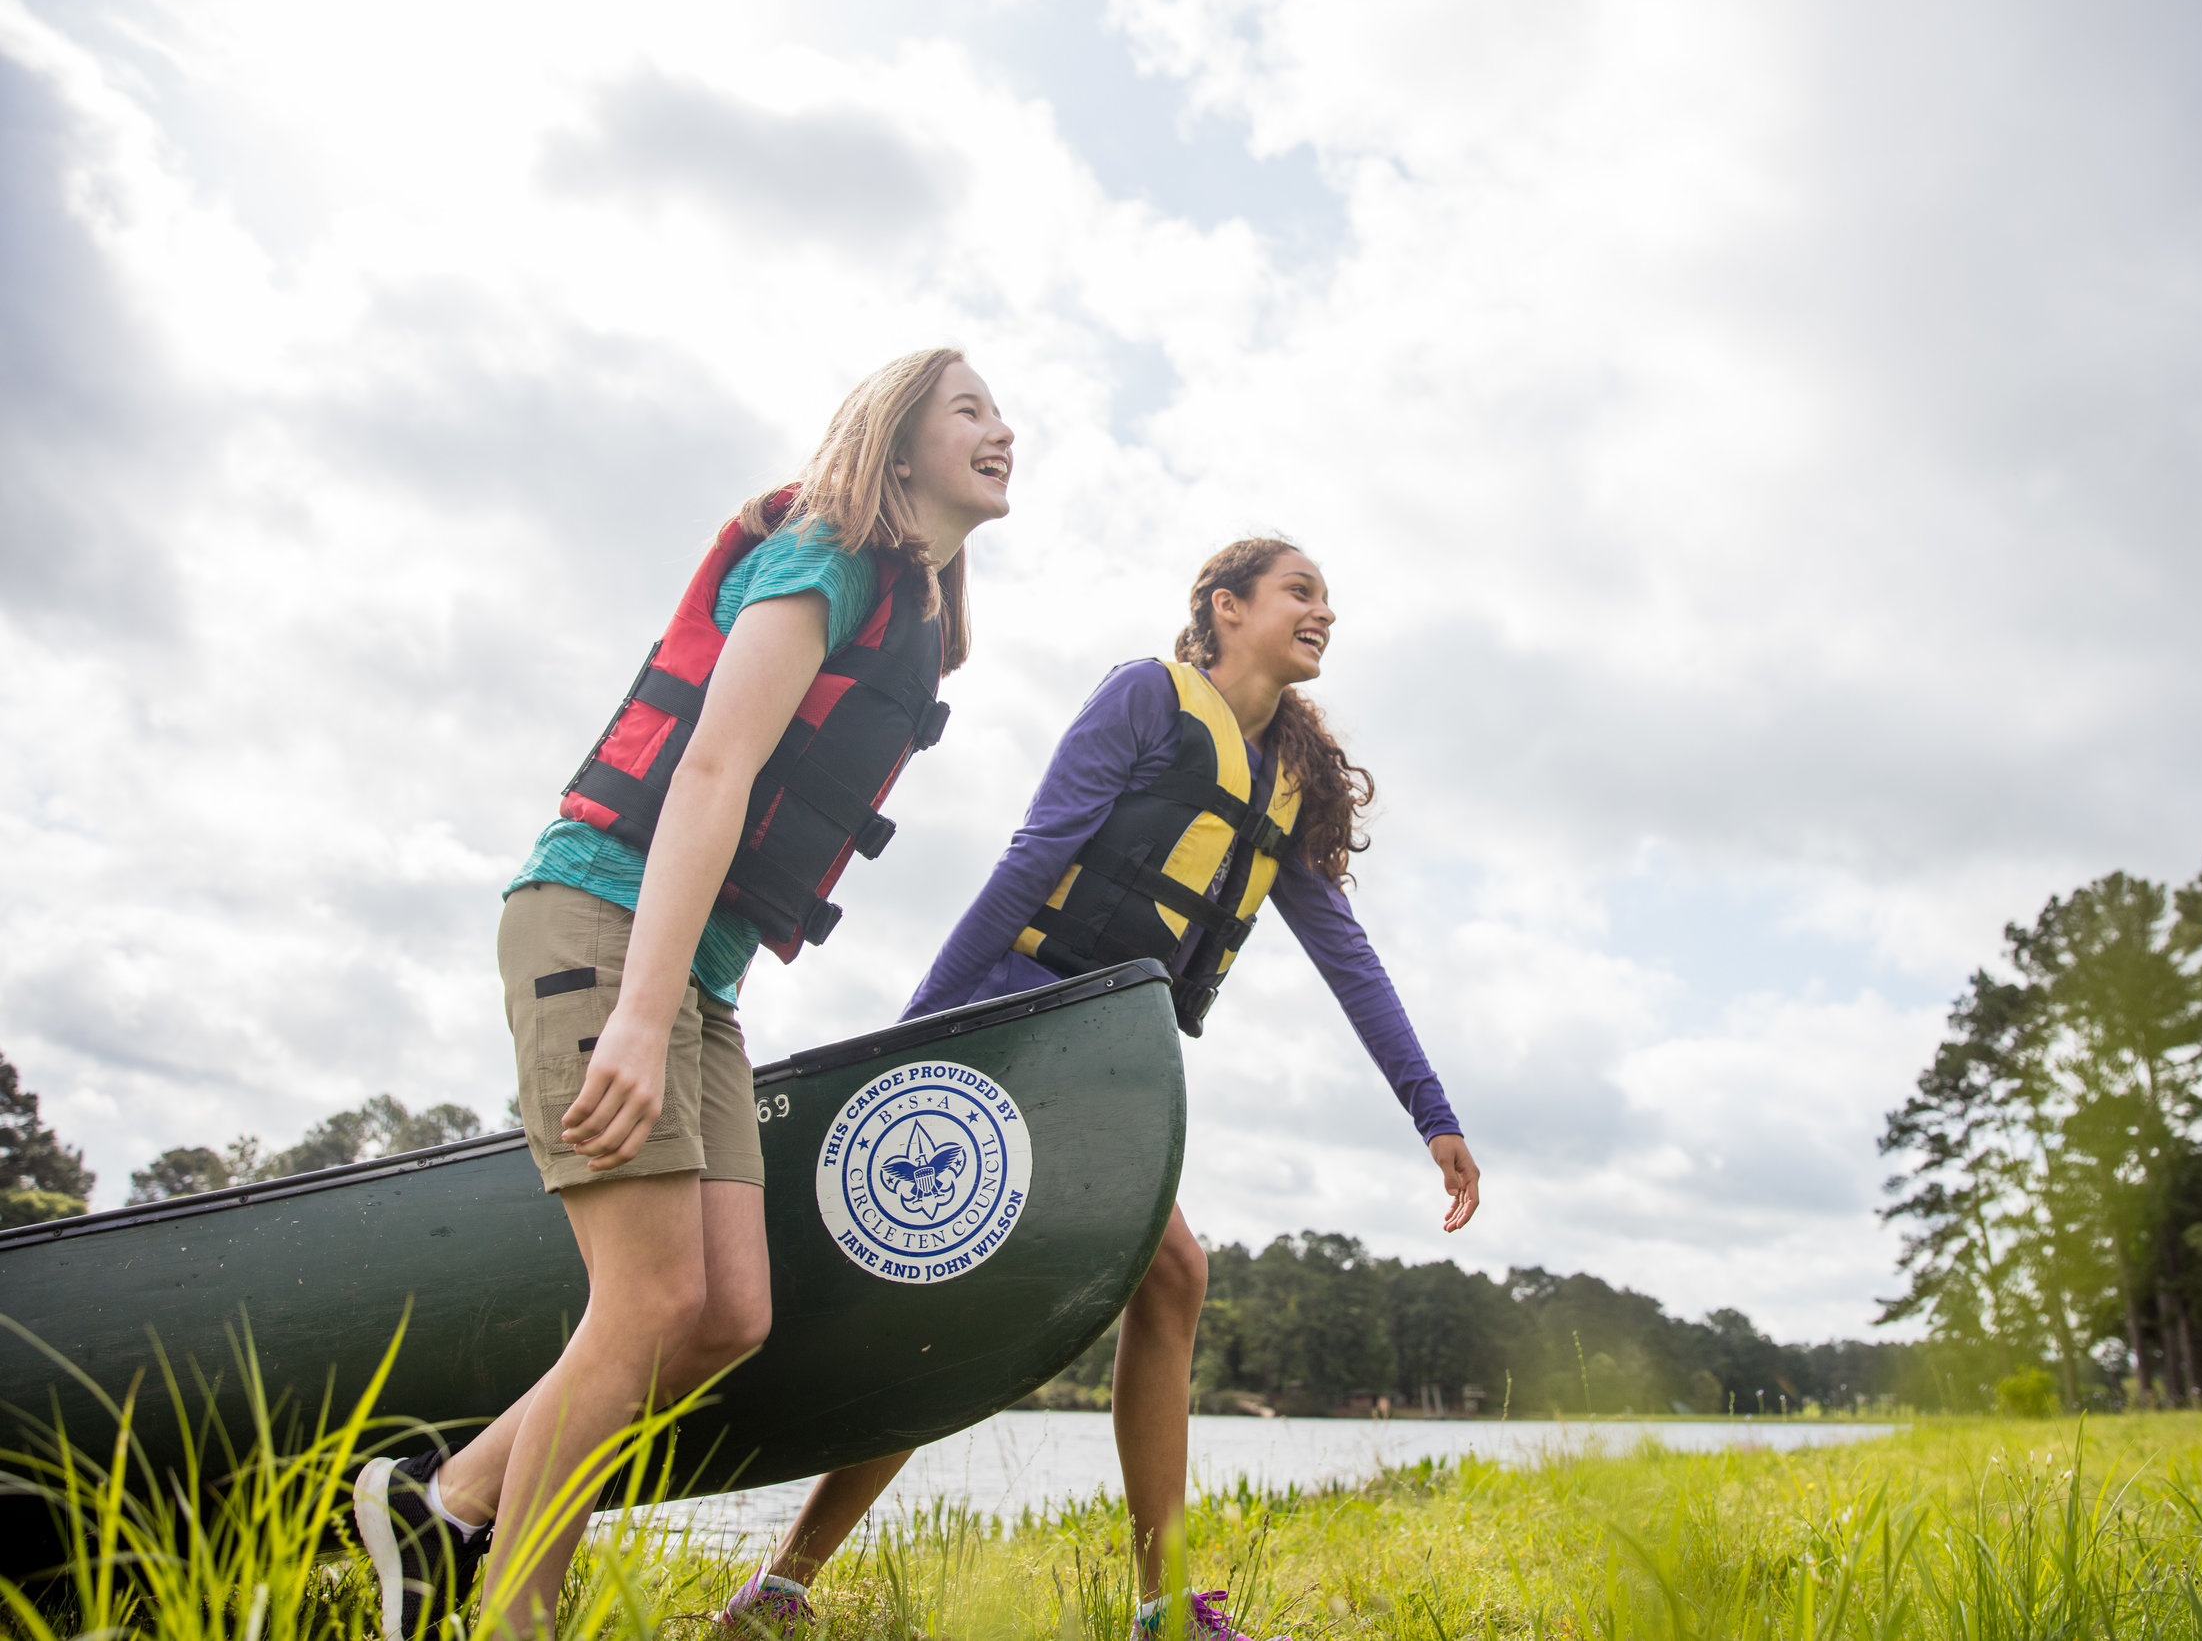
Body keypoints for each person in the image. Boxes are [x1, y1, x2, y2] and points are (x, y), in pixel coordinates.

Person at [349, 348, 1016, 1641]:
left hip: (698, 970)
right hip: (601, 917)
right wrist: (643, 1015)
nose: (1003, 428)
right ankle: (514, 1617)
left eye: (1001, 409)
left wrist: (682, 999)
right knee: (649, 1298)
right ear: (895, 445)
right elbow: (710, 771)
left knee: (723, 1314)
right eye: (970, 409)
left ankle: (440, 1509)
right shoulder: (825, 550)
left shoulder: (913, 608)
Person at [717, 537, 1481, 1640]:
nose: (1325, 611)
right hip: (1015, 1020)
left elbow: (1346, 956)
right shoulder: (1146, 699)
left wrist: (1432, 1110)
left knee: (1151, 1278)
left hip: (1114, 1054)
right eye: (1300, 591)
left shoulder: (1290, 780)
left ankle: (1128, 1604)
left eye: (1328, 597)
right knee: (1050, 1285)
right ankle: (806, 1586)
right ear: (1225, 607)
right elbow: (1031, 857)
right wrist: (907, 1040)